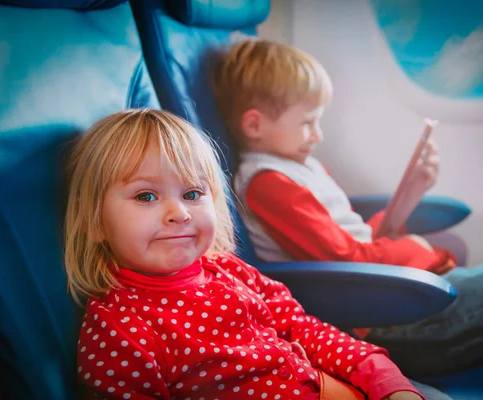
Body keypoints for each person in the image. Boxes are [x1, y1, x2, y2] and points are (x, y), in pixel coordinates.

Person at [211, 37, 483, 393]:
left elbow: (355, 242)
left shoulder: (296, 167)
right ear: (254, 126)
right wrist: (411, 249)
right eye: (308, 123)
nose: (317, 135)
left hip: (392, 297)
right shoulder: (269, 185)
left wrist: (410, 192)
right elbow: (346, 260)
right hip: (387, 317)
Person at [65, 109, 452, 399]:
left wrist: (383, 378)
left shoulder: (230, 270)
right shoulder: (119, 329)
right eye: (146, 196)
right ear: (95, 221)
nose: (180, 212)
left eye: (192, 194)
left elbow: (304, 330)